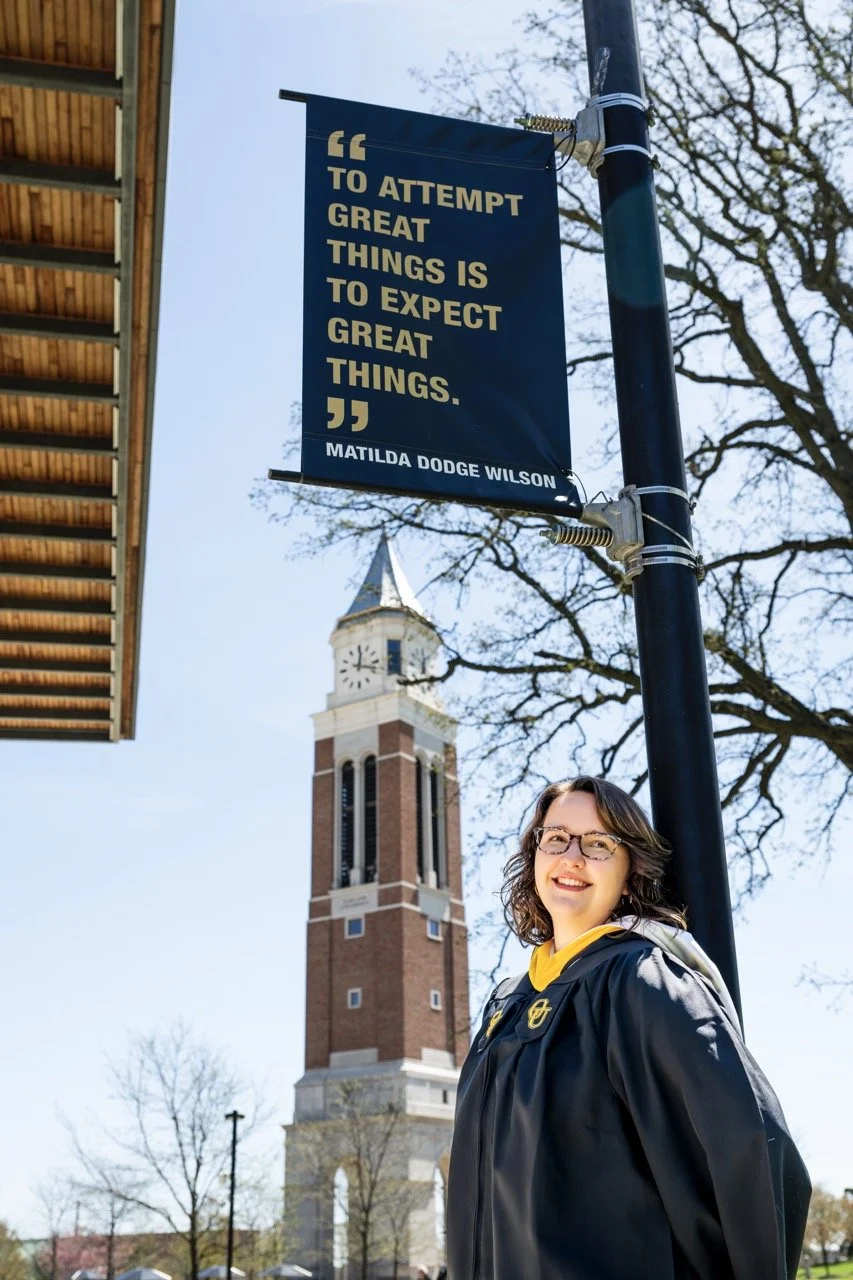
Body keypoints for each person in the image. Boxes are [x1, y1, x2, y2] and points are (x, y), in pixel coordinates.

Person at [446, 776, 811, 1280]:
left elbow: (755, 1151)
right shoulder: (506, 1006)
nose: (572, 857)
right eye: (556, 838)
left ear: (630, 869)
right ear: (534, 855)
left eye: (598, 844)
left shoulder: (644, 982)